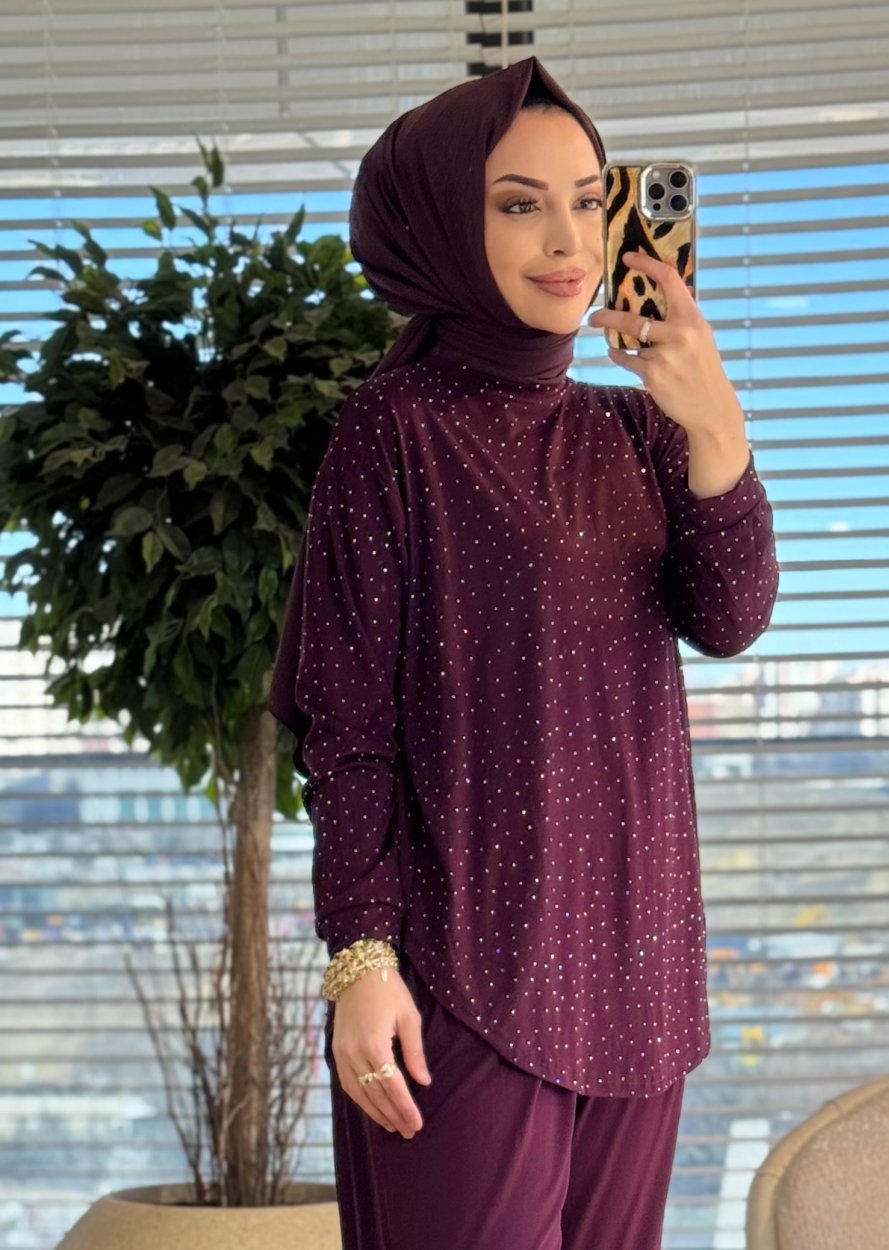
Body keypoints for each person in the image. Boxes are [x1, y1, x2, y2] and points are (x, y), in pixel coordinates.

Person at [269, 55, 779, 1250]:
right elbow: (348, 726)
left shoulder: (641, 428)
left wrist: (715, 422)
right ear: (445, 220)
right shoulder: (394, 430)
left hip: (637, 974)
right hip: (461, 977)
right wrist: (360, 959)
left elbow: (731, 615)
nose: (569, 239)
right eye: (518, 203)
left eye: (590, 200)